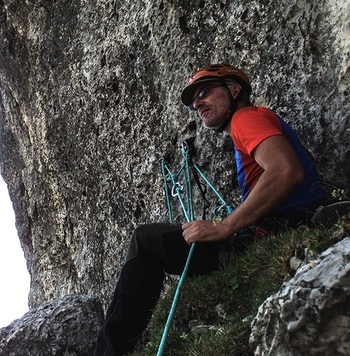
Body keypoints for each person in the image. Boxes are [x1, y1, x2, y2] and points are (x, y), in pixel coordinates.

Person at [93, 63, 326, 356]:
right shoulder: (247, 125)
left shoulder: (246, 118)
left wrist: (225, 226)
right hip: (280, 228)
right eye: (193, 101)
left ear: (234, 89)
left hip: (282, 229)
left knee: (147, 241)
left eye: (204, 91)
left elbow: (285, 171)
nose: (198, 102)